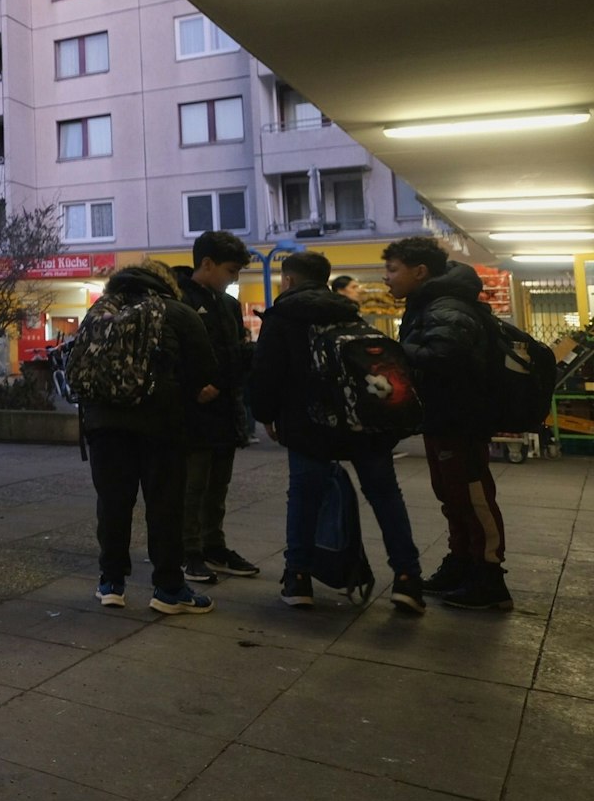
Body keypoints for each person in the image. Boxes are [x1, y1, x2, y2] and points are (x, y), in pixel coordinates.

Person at [249, 250, 424, 613]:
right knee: (385, 495)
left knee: (304, 497)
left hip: (309, 424)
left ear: (290, 280)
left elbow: (265, 372)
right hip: (363, 421)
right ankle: (408, 578)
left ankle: (298, 577)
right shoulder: (346, 311)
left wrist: (265, 415)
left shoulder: (283, 315)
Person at [81, 261, 222, 615]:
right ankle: (168, 588)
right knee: (165, 505)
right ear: (166, 285)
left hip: (104, 426)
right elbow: (205, 369)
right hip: (162, 424)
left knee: (113, 503)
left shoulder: (100, 312)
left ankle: (111, 582)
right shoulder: (178, 312)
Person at [385, 235, 511, 610]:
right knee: (452, 495)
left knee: (473, 496)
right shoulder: (430, 304)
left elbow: (444, 357)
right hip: (443, 417)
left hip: (461, 418)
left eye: (393, 270)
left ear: (419, 271)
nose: (386, 279)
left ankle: (489, 577)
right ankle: (462, 562)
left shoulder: (447, 307)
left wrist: (395, 351)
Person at [173, 231, 259, 586]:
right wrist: (194, 387)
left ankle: (213, 545)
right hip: (190, 413)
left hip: (223, 408)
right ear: (206, 264)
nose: (233, 278)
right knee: (192, 486)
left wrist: (225, 383)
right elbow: (171, 354)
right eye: (230, 270)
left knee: (217, 486)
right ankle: (187, 551)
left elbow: (234, 353)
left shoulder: (226, 305)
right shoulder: (176, 299)